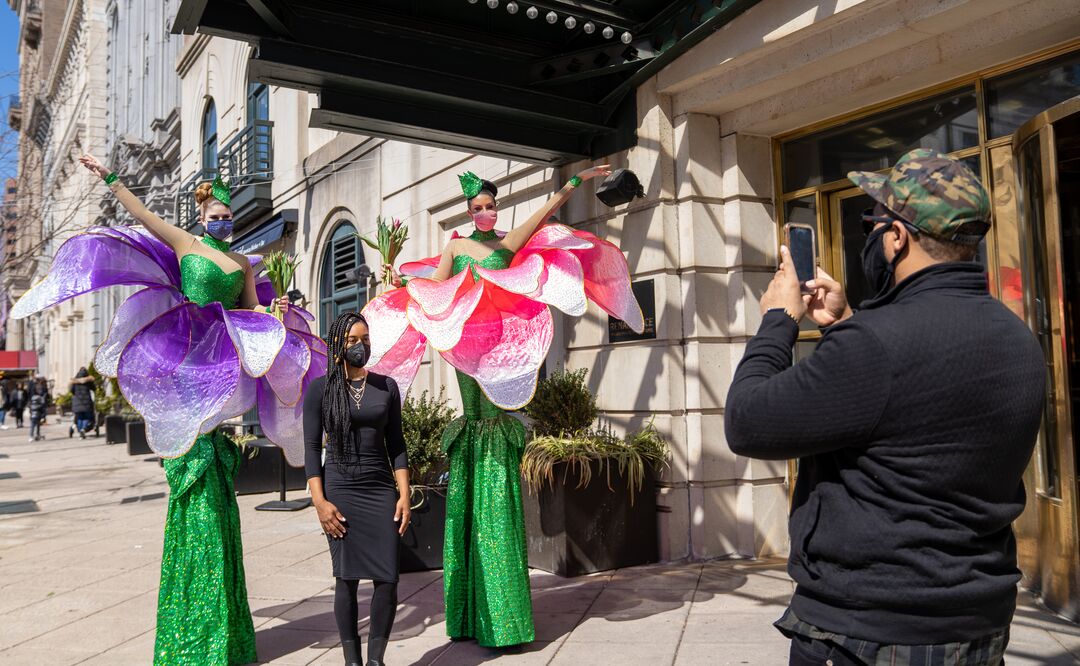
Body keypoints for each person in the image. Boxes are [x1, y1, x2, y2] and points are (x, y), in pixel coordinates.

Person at [724, 149, 1046, 665]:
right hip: (979, 626)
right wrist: (847, 319)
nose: (872, 236)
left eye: (876, 223)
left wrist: (778, 321)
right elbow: (915, 411)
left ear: (897, 237)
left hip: (867, 632)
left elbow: (747, 422)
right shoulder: (1018, 340)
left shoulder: (875, 345)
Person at [10, 153, 327, 666]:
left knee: (211, 491)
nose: (222, 220)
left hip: (219, 368)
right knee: (192, 472)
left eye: (227, 214)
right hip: (183, 361)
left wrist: (279, 313)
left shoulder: (242, 263)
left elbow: (250, 310)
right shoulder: (187, 244)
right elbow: (143, 217)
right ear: (203, 216)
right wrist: (112, 179)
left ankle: (216, 632)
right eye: (215, 214)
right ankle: (196, 632)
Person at [369, 165, 642, 649]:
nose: (485, 213)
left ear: (497, 209)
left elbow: (544, 213)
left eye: (491, 206)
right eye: (478, 208)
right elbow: (430, 292)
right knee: (480, 441)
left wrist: (576, 183)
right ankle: (480, 609)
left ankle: (501, 611)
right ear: (468, 213)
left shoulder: (507, 246)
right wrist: (394, 282)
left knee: (496, 465)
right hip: (464, 356)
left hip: (504, 351)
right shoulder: (457, 248)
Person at [303, 312, 411, 666]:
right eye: (352, 340)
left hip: (380, 488)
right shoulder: (320, 389)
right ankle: (352, 661)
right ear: (338, 345)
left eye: (364, 339)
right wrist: (319, 502)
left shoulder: (386, 386)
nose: (360, 346)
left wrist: (405, 494)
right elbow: (310, 449)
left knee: (387, 576)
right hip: (340, 488)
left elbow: (396, 444)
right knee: (346, 577)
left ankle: (376, 660)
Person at [69, 368, 96, 439]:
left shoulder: (74, 381)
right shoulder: (88, 381)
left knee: (79, 417)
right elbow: (94, 388)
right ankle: (83, 429)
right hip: (86, 402)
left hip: (77, 402)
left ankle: (80, 430)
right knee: (87, 417)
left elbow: (71, 391)